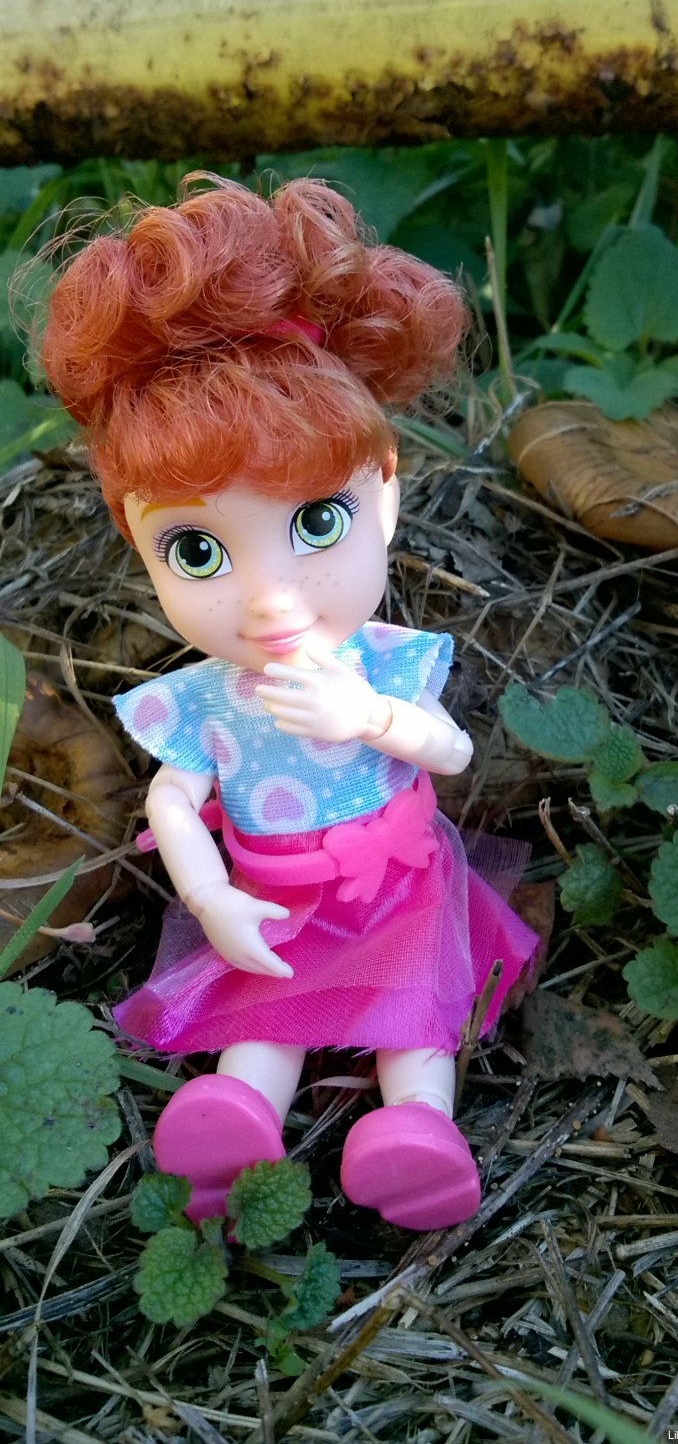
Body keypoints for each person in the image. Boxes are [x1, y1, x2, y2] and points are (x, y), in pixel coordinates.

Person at [41, 173, 540, 1230]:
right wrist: (209, 897)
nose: (269, 598)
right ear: (140, 544)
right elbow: (173, 800)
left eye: (316, 522)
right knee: (264, 1011)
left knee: (416, 1015)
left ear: (385, 490)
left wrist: (371, 719)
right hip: (272, 899)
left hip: (400, 883)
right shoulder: (208, 699)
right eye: (198, 549)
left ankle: (419, 1130)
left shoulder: (383, 664)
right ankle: (236, 1119)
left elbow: (448, 751)